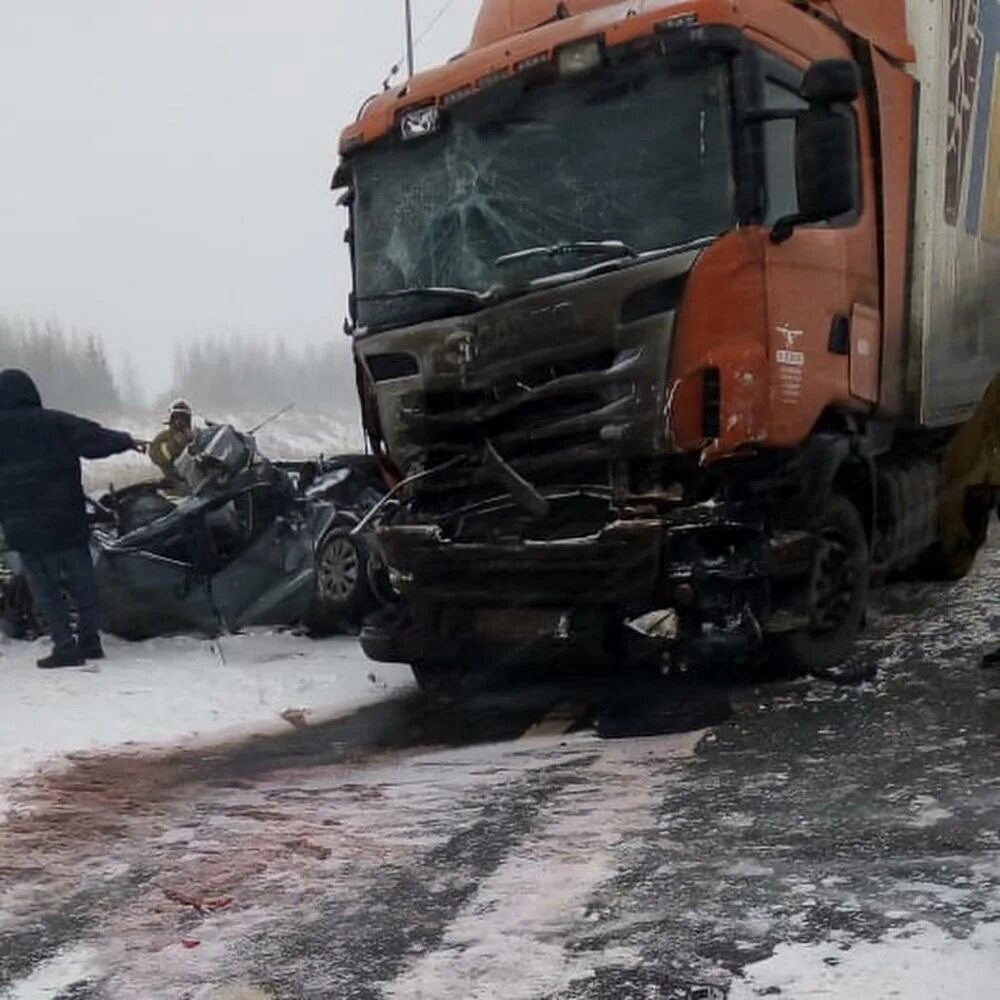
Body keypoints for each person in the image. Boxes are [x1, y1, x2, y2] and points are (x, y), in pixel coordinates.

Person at [0, 369, 142, 668]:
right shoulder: (56, 422)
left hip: (26, 529)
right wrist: (127, 440)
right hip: (67, 519)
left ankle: (65, 645)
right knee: (83, 583)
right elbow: (96, 439)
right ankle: (90, 641)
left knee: (46, 590)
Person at [149, 398, 195, 485]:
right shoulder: (163, 437)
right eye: (177, 417)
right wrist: (174, 445)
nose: (180, 421)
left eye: (183, 418)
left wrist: (192, 441)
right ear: (171, 418)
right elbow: (156, 457)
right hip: (175, 483)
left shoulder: (195, 435)